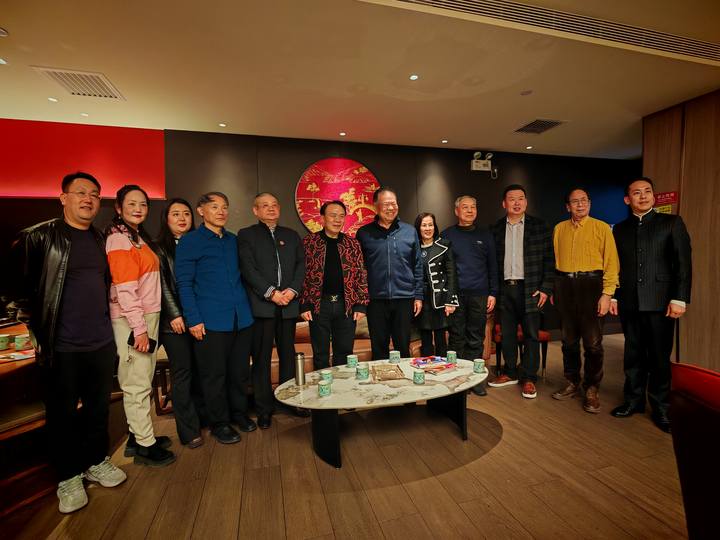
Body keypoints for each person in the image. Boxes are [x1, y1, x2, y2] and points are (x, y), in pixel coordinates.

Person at [8, 172, 126, 513]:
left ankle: (96, 461)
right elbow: (14, 293)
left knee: (97, 409)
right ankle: (68, 476)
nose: (88, 199)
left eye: (94, 194)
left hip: (100, 341)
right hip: (62, 346)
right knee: (61, 415)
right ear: (63, 198)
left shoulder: (100, 238)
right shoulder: (38, 237)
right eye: (80, 193)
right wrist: (34, 331)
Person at [609, 177, 692, 432]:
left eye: (647, 191)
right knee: (633, 354)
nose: (643, 196)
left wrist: (679, 298)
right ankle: (633, 401)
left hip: (661, 302)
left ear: (653, 196)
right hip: (629, 301)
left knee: (659, 357)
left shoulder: (671, 223)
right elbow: (616, 266)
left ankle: (661, 407)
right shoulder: (619, 229)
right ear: (627, 199)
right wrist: (614, 295)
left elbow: (683, 263)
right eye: (637, 193)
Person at [175, 192, 256, 443]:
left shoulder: (233, 240)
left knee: (239, 373)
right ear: (201, 211)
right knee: (214, 376)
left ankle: (239, 413)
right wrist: (193, 319)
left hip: (241, 318)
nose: (221, 212)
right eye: (214, 207)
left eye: (224, 207)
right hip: (210, 321)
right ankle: (219, 423)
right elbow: (184, 284)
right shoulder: (190, 242)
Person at [106, 185, 175, 466]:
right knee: (136, 382)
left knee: (142, 378)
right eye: (131, 203)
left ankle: (138, 436)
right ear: (118, 208)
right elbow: (124, 288)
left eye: (143, 204)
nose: (138, 209)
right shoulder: (118, 240)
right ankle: (145, 446)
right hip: (133, 320)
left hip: (145, 317)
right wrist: (139, 328)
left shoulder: (135, 237)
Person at [237, 192, 305, 428]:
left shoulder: (291, 235)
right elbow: (248, 269)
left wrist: (292, 291)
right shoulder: (247, 235)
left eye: (274, 205)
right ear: (255, 210)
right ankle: (264, 408)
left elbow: (301, 266)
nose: (271, 209)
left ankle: (289, 401)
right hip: (262, 307)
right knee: (262, 359)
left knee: (288, 356)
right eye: (265, 205)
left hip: (288, 306)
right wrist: (271, 293)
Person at [552, 187, 619, 413]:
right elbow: (555, 261)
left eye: (584, 200)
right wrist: (555, 288)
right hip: (565, 286)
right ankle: (572, 381)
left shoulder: (602, 228)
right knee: (568, 341)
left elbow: (611, 264)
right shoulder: (559, 229)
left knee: (593, 343)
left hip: (592, 286)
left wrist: (607, 294)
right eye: (575, 201)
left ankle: (591, 387)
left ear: (589, 203)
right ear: (567, 206)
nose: (580, 204)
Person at [489, 185, 554, 399]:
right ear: (504, 203)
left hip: (531, 289)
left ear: (526, 202)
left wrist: (545, 288)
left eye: (521, 198)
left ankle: (529, 378)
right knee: (507, 334)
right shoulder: (495, 229)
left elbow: (549, 261)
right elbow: (491, 263)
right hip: (505, 289)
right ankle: (510, 372)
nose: (516, 203)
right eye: (512, 199)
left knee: (531, 335)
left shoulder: (540, 227)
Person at [156, 198, 205, 448]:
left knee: (200, 370)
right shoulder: (159, 248)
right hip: (173, 323)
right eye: (176, 214)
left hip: (199, 319)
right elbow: (162, 284)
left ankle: (202, 418)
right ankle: (188, 430)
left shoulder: (198, 243)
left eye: (186, 213)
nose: (182, 218)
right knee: (183, 372)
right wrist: (175, 315)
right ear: (166, 219)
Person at [300, 200, 369, 370]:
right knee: (320, 353)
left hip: (346, 305)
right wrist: (304, 304)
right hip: (318, 305)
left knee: (344, 353)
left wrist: (361, 304)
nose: (337, 220)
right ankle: (322, 386)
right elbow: (301, 276)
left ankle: (342, 386)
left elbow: (361, 274)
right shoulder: (309, 243)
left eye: (341, 216)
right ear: (322, 218)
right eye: (332, 215)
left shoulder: (352, 244)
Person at [356, 187, 423, 360]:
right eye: (386, 204)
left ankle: (404, 377)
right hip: (375, 299)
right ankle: (380, 378)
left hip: (404, 298)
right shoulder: (364, 233)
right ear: (376, 206)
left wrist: (418, 296)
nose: (391, 208)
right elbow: (358, 268)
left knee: (402, 346)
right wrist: (361, 298)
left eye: (394, 204)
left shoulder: (409, 231)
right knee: (379, 347)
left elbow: (417, 265)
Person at [442, 195, 499, 396]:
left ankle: (475, 379)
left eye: (473, 207)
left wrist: (493, 293)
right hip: (456, 296)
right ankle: (458, 379)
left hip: (480, 294)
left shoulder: (486, 235)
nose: (469, 210)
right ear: (456, 211)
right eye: (465, 207)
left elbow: (493, 266)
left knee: (476, 338)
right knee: (456, 338)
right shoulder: (447, 235)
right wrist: (447, 296)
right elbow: (442, 268)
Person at [414, 212, 458, 357]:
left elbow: (452, 274)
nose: (428, 228)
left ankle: (442, 369)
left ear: (435, 226)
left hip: (440, 299)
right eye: (424, 225)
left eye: (430, 225)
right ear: (418, 228)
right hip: (421, 299)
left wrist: (451, 301)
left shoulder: (444, 245)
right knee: (425, 338)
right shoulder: (414, 247)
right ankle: (426, 367)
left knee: (441, 339)